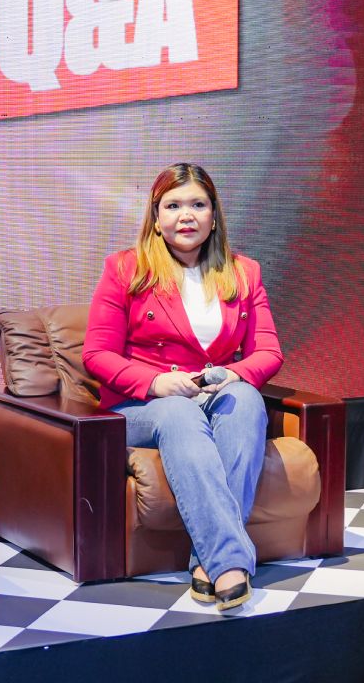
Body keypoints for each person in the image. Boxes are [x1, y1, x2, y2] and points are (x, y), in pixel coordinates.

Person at [82, 163, 283, 611]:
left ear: (214, 215)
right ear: (156, 217)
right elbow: (97, 354)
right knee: (180, 412)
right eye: (173, 206)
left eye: (197, 204)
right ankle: (231, 562)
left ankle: (205, 562)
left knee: (247, 401)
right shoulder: (125, 269)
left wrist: (236, 374)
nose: (185, 215)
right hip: (143, 405)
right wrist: (156, 382)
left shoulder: (245, 272)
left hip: (214, 393)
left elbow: (268, 352)